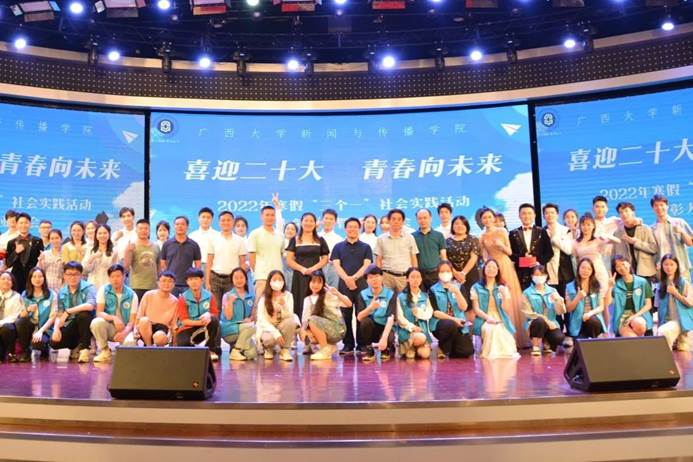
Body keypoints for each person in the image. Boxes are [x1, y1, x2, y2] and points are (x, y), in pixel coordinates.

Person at [478, 207, 527, 347]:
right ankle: (499, 339)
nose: (487, 219)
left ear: (494, 218)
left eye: (489, 217)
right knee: (495, 300)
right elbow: (484, 256)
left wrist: (501, 246)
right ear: (481, 220)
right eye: (484, 218)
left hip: (505, 266)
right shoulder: (482, 236)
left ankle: (515, 338)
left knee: (510, 299)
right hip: (492, 268)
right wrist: (488, 267)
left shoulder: (502, 231)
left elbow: (510, 251)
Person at [331, 217, 373, 355]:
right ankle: (348, 344)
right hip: (344, 286)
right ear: (345, 229)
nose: (352, 229)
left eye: (355, 226)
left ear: (359, 228)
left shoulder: (366, 247)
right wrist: (347, 279)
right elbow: (336, 265)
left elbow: (366, 265)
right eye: (349, 226)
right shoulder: (338, 247)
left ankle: (362, 344)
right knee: (345, 315)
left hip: (361, 285)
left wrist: (353, 278)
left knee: (361, 315)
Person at [572, 213, 618, 329]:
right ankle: (589, 329)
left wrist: (606, 236)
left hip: (599, 272)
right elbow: (576, 260)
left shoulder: (598, 240)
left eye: (589, 224)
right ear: (580, 226)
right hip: (585, 274)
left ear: (593, 226)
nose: (586, 227)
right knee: (589, 302)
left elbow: (617, 241)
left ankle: (606, 331)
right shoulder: (576, 242)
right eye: (583, 224)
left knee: (604, 302)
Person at [470, 259, 519, 359]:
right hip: (483, 317)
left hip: (500, 317)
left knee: (503, 331)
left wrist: (504, 295)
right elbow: (476, 309)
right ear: (484, 269)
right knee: (491, 329)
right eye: (489, 267)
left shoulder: (503, 287)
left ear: (498, 270)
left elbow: (506, 309)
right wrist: (488, 318)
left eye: (494, 267)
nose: (491, 269)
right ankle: (489, 353)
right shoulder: (476, 287)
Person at [90, 264, 138, 362]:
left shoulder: (132, 295)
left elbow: (132, 321)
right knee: (96, 322)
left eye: (118, 276)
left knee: (129, 345)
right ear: (109, 278)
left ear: (124, 277)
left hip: (125, 329)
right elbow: (99, 312)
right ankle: (105, 351)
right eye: (112, 276)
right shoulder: (104, 290)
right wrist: (114, 318)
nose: (115, 279)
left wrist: (124, 333)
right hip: (109, 327)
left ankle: (123, 348)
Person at [50, 261, 96, 363]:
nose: (72, 277)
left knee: (83, 315)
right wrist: (56, 329)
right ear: (64, 276)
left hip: (87, 325)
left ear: (81, 275)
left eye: (76, 274)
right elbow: (60, 314)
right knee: (54, 343)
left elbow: (90, 306)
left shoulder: (89, 287)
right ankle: (76, 346)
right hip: (71, 324)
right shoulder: (62, 292)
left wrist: (68, 311)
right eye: (69, 274)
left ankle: (84, 349)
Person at [286, 212, 329, 319]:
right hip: (299, 276)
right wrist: (302, 269)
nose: (308, 223)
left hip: (316, 276)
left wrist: (313, 269)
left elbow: (325, 259)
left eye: (311, 221)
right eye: (306, 221)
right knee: (299, 300)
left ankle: (317, 325)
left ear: (315, 224)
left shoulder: (320, 240)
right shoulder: (295, 239)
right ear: (301, 222)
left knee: (317, 301)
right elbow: (289, 260)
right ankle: (300, 326)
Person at [428, 261, 475, 359]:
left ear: (452, 273)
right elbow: (435, 312)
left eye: (448, 271)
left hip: (459, 324)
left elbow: (464, 307)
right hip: (441, 324)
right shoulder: (433, 289)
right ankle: (442, 347)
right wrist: (454, 320)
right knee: (450, 325)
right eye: (442, 271)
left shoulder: (459, 287)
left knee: (466, 351)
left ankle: (451, 348)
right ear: (438, 273)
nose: (445, 273)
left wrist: (457, 292)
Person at [301, 270, 349, 360]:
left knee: (312, 320)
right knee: (307, 335)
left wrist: (337, 293)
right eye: (313, 282)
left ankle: (324, 350)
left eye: (319, 282)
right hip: (324, 328)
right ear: (309, 283)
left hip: (338, 329)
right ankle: (330, 346)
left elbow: (348, 304)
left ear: (323, 284)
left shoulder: (328, 295)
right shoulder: (307, 299)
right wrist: (305, 332)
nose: (316, 285)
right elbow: (305, 320)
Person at [176, 268, 221, 361]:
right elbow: (184, 321)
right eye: (190, 279)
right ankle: (196, 352)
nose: (193, 282)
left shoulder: (210, 296)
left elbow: (215, 314)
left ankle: (211, 349)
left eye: (196, 279)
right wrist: (202, 322)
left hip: (205, 328)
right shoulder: (183, 298)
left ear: (202, 280)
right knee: (184, 344)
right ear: (187, 282)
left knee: (214, 320)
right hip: (188, 328)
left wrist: (209, 315)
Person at [521, 265, 566, 355]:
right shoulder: (527, 293)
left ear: (546, 276)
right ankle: (536, 346)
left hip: (551, 323)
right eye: (536, 275)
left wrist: (558, 301)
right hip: (535, 322)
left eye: (541, 274)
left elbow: (560, 311)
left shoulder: (552, 291)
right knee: (539, 321)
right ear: (532, 277)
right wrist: (546, 320)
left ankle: (547, 342)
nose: (539, 277)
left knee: (559, 338)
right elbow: (528, 312)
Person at [206, 211, 247, 309]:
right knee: (216, 308)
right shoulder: (213, 238)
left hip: (232, 279)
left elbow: (242, 263)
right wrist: (207, 282)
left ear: (233, 222)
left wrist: (243, 281)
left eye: (228, 220)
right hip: (215, 278)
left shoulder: (240, 240)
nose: (226, 222)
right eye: (223, 220)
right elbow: (209, 262)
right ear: (219, 222)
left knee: (231, 307)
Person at [355, 265, 396, 362]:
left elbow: (391, 318)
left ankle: (386, 349)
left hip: (384, 327)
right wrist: (370, 308)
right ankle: (369, 349)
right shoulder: (363, 294)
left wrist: (384, 338)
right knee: (365, 322)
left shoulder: (390, 294)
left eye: (377, 276)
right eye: (370, 277)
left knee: (389, 336)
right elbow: (359, 317)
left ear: (382, 277)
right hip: (371, 329)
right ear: (367, 281)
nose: (374, 279)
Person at [255, 270, 298, 362]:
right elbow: (261, 320)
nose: (277, 282)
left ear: (284, 282)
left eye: (280, 279)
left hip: (282, 325)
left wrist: (284, 305)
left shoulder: (288, 296)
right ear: (269, 282)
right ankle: (268, 348)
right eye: (274, 279)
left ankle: (285, 349)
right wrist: (276, 333)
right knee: (268, 340)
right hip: (268, 328)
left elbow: (290, 315)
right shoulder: (263, 298)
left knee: (291, 322)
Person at [606, 255, 654, 337]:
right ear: (615, 269)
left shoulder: (642, 282)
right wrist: (610, 287)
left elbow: (648, 305)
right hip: (622, 318)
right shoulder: (615, 284)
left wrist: (634, 316)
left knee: (640, 323)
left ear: (629, 264)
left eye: (623, 264)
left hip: (639, 315)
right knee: (631, 337)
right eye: (618, 266)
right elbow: (607, 302)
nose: (621, 268)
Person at [509, 203, 554, 290]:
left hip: (539, 274)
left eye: (529, 213)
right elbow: (511, 255)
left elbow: (549, 253)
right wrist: (523, 259)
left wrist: (537, 262)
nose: (527, 216)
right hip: (520, 275)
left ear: (534, 215)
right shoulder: (513, 233)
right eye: (524, 213)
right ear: (519, 216)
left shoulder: (542, 231)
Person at [128, 271, 179, 347]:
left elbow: (174, 324)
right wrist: (135, 330)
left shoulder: (175, 301)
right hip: (146, 327)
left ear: (174, 284)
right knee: (144, 320)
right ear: (158, 282)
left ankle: (157, 349)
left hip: (162, 329)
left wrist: (175, 344)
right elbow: (139, 316)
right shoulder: (148, 295)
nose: (166, 284)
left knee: (159, 336)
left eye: (170, 281)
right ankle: (148, 347)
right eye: (164, 281)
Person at [375, 209, 419, 292]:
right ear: (389, 221)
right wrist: (378, 276)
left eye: (399, 219)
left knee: (405, 299)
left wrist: (415, 276)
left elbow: (413, 258)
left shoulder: (410, 238)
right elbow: (378, 259)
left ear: (403, 222)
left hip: (404, 277)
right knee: (386, 299)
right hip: (386, 277)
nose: (396, 221)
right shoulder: (381, 238)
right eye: (393, 219)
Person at [651, 194, 693, 280]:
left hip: (681, 267)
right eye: (656, 205)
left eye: (661, 205)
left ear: (667, 206)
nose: (659, 208)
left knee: (684, 288)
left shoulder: (679, 222)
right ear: (653, 208)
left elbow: (690, 243)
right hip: (662, 270)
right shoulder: (651, 229)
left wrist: (682, 232)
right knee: (666, 289)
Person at [613, 202, 658, 281]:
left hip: (646, 271)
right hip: (627, 272)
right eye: (621, 212)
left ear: (633, 212)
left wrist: (636, 242)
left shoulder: (645, 228)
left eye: (626, 211)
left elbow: (654, 248)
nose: (624, 214)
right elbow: (616, 254)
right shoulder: (617, 233)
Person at [396, 267, 434, 360]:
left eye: (418, 277)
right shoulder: (401, 297)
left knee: (425, 354)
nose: (415, 280)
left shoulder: (425, 296)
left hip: (422, 331)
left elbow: (429, 313)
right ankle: (409, 346)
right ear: (407, 279)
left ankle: (415, 347)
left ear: (421, 279)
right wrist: (412, 327)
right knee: (420, 338)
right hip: (407, 332)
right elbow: (400, 318)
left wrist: (418, 313)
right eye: (412, 277)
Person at [565, 258, 607, 340]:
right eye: (583, 268)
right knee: (580, 343)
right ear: (578, 269)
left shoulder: (597, 285)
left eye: (589, 269)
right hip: (577, 321)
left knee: (593, 321)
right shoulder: (569, 286)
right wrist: (578, 298)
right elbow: (568, 309)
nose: (585, 271)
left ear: (592, 271)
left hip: (592, 318)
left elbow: (601, 306)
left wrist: (589, 313)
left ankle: (595, 342)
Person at [656, 254, 692, 351]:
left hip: (680, 320)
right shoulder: (661, 284)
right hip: (666, 320)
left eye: (672, 264)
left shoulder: (684, 282)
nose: (669, 267)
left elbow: (690, 303)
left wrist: (675, 293)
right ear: (662, 266)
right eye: (666, 264)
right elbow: (658, 307)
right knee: (662, 334)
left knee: (664, 333)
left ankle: (681, 337)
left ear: (677, 266)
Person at [248, 205, 285, 297]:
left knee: (277, 302)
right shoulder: (255, 233)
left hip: (278, 275)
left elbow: (281, 254)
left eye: (272, 215)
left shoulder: (280, 235)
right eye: (267, 215)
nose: (270, 217)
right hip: (261, 276)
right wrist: (256, 273)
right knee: (260, 302)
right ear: (261, 216)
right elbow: (251, 257)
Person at [20, 267, 57, 361]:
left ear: (44, 278)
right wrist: (28, 310)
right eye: (34, 276)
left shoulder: (52, 294)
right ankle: (26, 351)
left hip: (45, 329)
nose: (37, 279)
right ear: (30, 279)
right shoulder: (25, 294)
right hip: (30, 328)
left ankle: (45, 348)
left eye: (40, 276)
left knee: (37, 344)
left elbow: (53, 317)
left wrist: (40, 331)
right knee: (21, 322)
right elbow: (21, 315)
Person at [160, 216, 202, 297]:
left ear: (187, 227)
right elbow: (163, 263)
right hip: (171, 284)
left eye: (182, 224)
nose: (180, 226)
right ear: (174, 226)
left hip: (188, 284)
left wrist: (193, 280)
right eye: (177, 224)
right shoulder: (167, 244)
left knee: (187, 304)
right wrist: (168, 279)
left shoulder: (194, 245)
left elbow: (198, 265)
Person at [222, 267, 257, 361]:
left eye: (241, 277)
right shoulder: (227, 295)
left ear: (246, 279)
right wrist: (230, 302)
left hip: (245, 329)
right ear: (232, 280)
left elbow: (253, 316)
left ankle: (236, 347)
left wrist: (250, 319)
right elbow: (228, 317)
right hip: (229, 329)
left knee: (252, 354)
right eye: (236, 278)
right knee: (252, 327)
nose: (239, 280)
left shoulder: (251, 296)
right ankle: (236, 351)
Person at [5, 212, 44, 292]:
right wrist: (16, 252)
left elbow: (41, 260)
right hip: (16, 278)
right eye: (21, 223)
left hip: (33, 278)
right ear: (17, 225)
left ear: (30, 224)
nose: (23, 225)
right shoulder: (11, 243)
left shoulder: (37, 241)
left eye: (26, 222)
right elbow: (8, 264)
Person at [446, 215, 481, 299]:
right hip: (453, 275)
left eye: (462, 224)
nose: (459, 226)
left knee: (473, 298)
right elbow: (445, 259)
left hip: (470, 274)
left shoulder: (473, 239)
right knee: (456, 299)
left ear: (466, 226)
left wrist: (463, 273)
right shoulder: (447, 241)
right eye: (456, 224)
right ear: (452, 226)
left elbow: (473, 258)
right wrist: (455, 273)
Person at [542, 203, 575, 296]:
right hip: (548, 273)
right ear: (543, 216)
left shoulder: (566, 230)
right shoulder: (541, 231)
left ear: (557, 215)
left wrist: (554, 238)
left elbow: (569, 250)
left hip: (565, 272)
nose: (549, 215)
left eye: (552, 213)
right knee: (552, 300)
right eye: (547, 213)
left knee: (566, 299)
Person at [125, 219, 160, 301]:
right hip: (137, 286)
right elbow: (126, 267)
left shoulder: (156, 246)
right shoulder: (131, 246)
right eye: (140, 228)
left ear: (149, 230)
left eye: (146, 228)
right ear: (136, 230)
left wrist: (159, 282)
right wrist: (128, 252)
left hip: (153, 286)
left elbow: (158, 266)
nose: (143, 231)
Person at [412, 208, 447, 290]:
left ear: (431, 218)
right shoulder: (412, 236)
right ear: (417, 220)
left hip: (435, 274)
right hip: (419, 275)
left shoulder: (439, 235)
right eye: (420, 218)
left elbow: (443, 256)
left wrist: (445, 272)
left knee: (436, 296)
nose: (422, 220)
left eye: (425, 218)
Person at [81, 224, 118, 289]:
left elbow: (116, 270)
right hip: (93, 284)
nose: (102, 235)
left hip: (108, 284)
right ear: (96, 236)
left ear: (109, 234)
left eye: (105, 233)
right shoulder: (91, 250)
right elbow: (84, 270)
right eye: (100, 233)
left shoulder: (114, 251)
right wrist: (93, 257)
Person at [0, 271, 23, 362]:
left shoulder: (17, 296)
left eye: (9, 279)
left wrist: (1, 323)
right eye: (3, 279)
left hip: (10, 325)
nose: (6, 281)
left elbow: (15, 315)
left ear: (12, 283)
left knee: (7, 328)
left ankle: (11, 353)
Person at [190, 207, 220, 273]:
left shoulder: (218, 235)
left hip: (213, 268)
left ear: (212, 219)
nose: (205, 219)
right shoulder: (192, 236)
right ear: (198, 219)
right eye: (203, 217)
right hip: (196, 268)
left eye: (208, 217)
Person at [319, 209, 343, 288]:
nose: (328, 221)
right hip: (316, 269)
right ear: (322, 220)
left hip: (333, 270)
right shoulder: (315, 237)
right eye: (326, 218)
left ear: (335, 222)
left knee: (332, 292)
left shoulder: (339, 239)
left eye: (331, 219)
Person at [282, 222, 298, 290]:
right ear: (284, 231)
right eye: (288, 228)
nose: (290, 231)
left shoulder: (299, 244)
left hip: (294, 274)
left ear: (296, 233)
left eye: (292, 229)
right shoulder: (280, 243)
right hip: (282, 272)